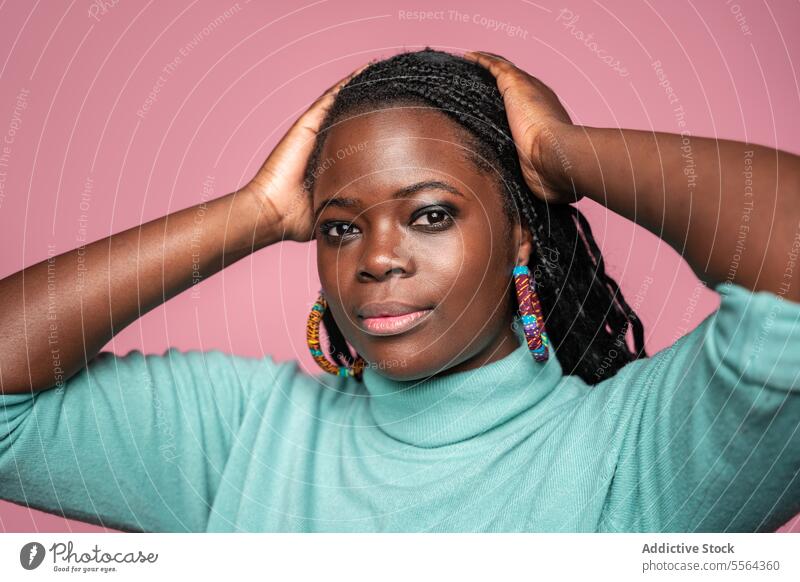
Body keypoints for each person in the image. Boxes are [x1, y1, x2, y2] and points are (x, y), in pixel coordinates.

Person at [0, 48, 798, 533]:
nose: (377, 258)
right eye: (340, 227)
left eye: (430, 214)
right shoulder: (246, 436)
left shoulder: (638, 454)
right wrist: (251, 213)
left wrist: (561, 153)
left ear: (522, 227)